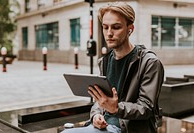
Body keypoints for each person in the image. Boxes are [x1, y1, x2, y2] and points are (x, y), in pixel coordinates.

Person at [61, 1, 164, 133]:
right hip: (104, 126)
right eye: (105, 27)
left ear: (130, 29)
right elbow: (100, 100)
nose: (109, 33)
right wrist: (96, 115)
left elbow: (147, 107)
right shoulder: (104, 61)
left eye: (116, 27)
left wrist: (116, 108)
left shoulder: (149, 62)